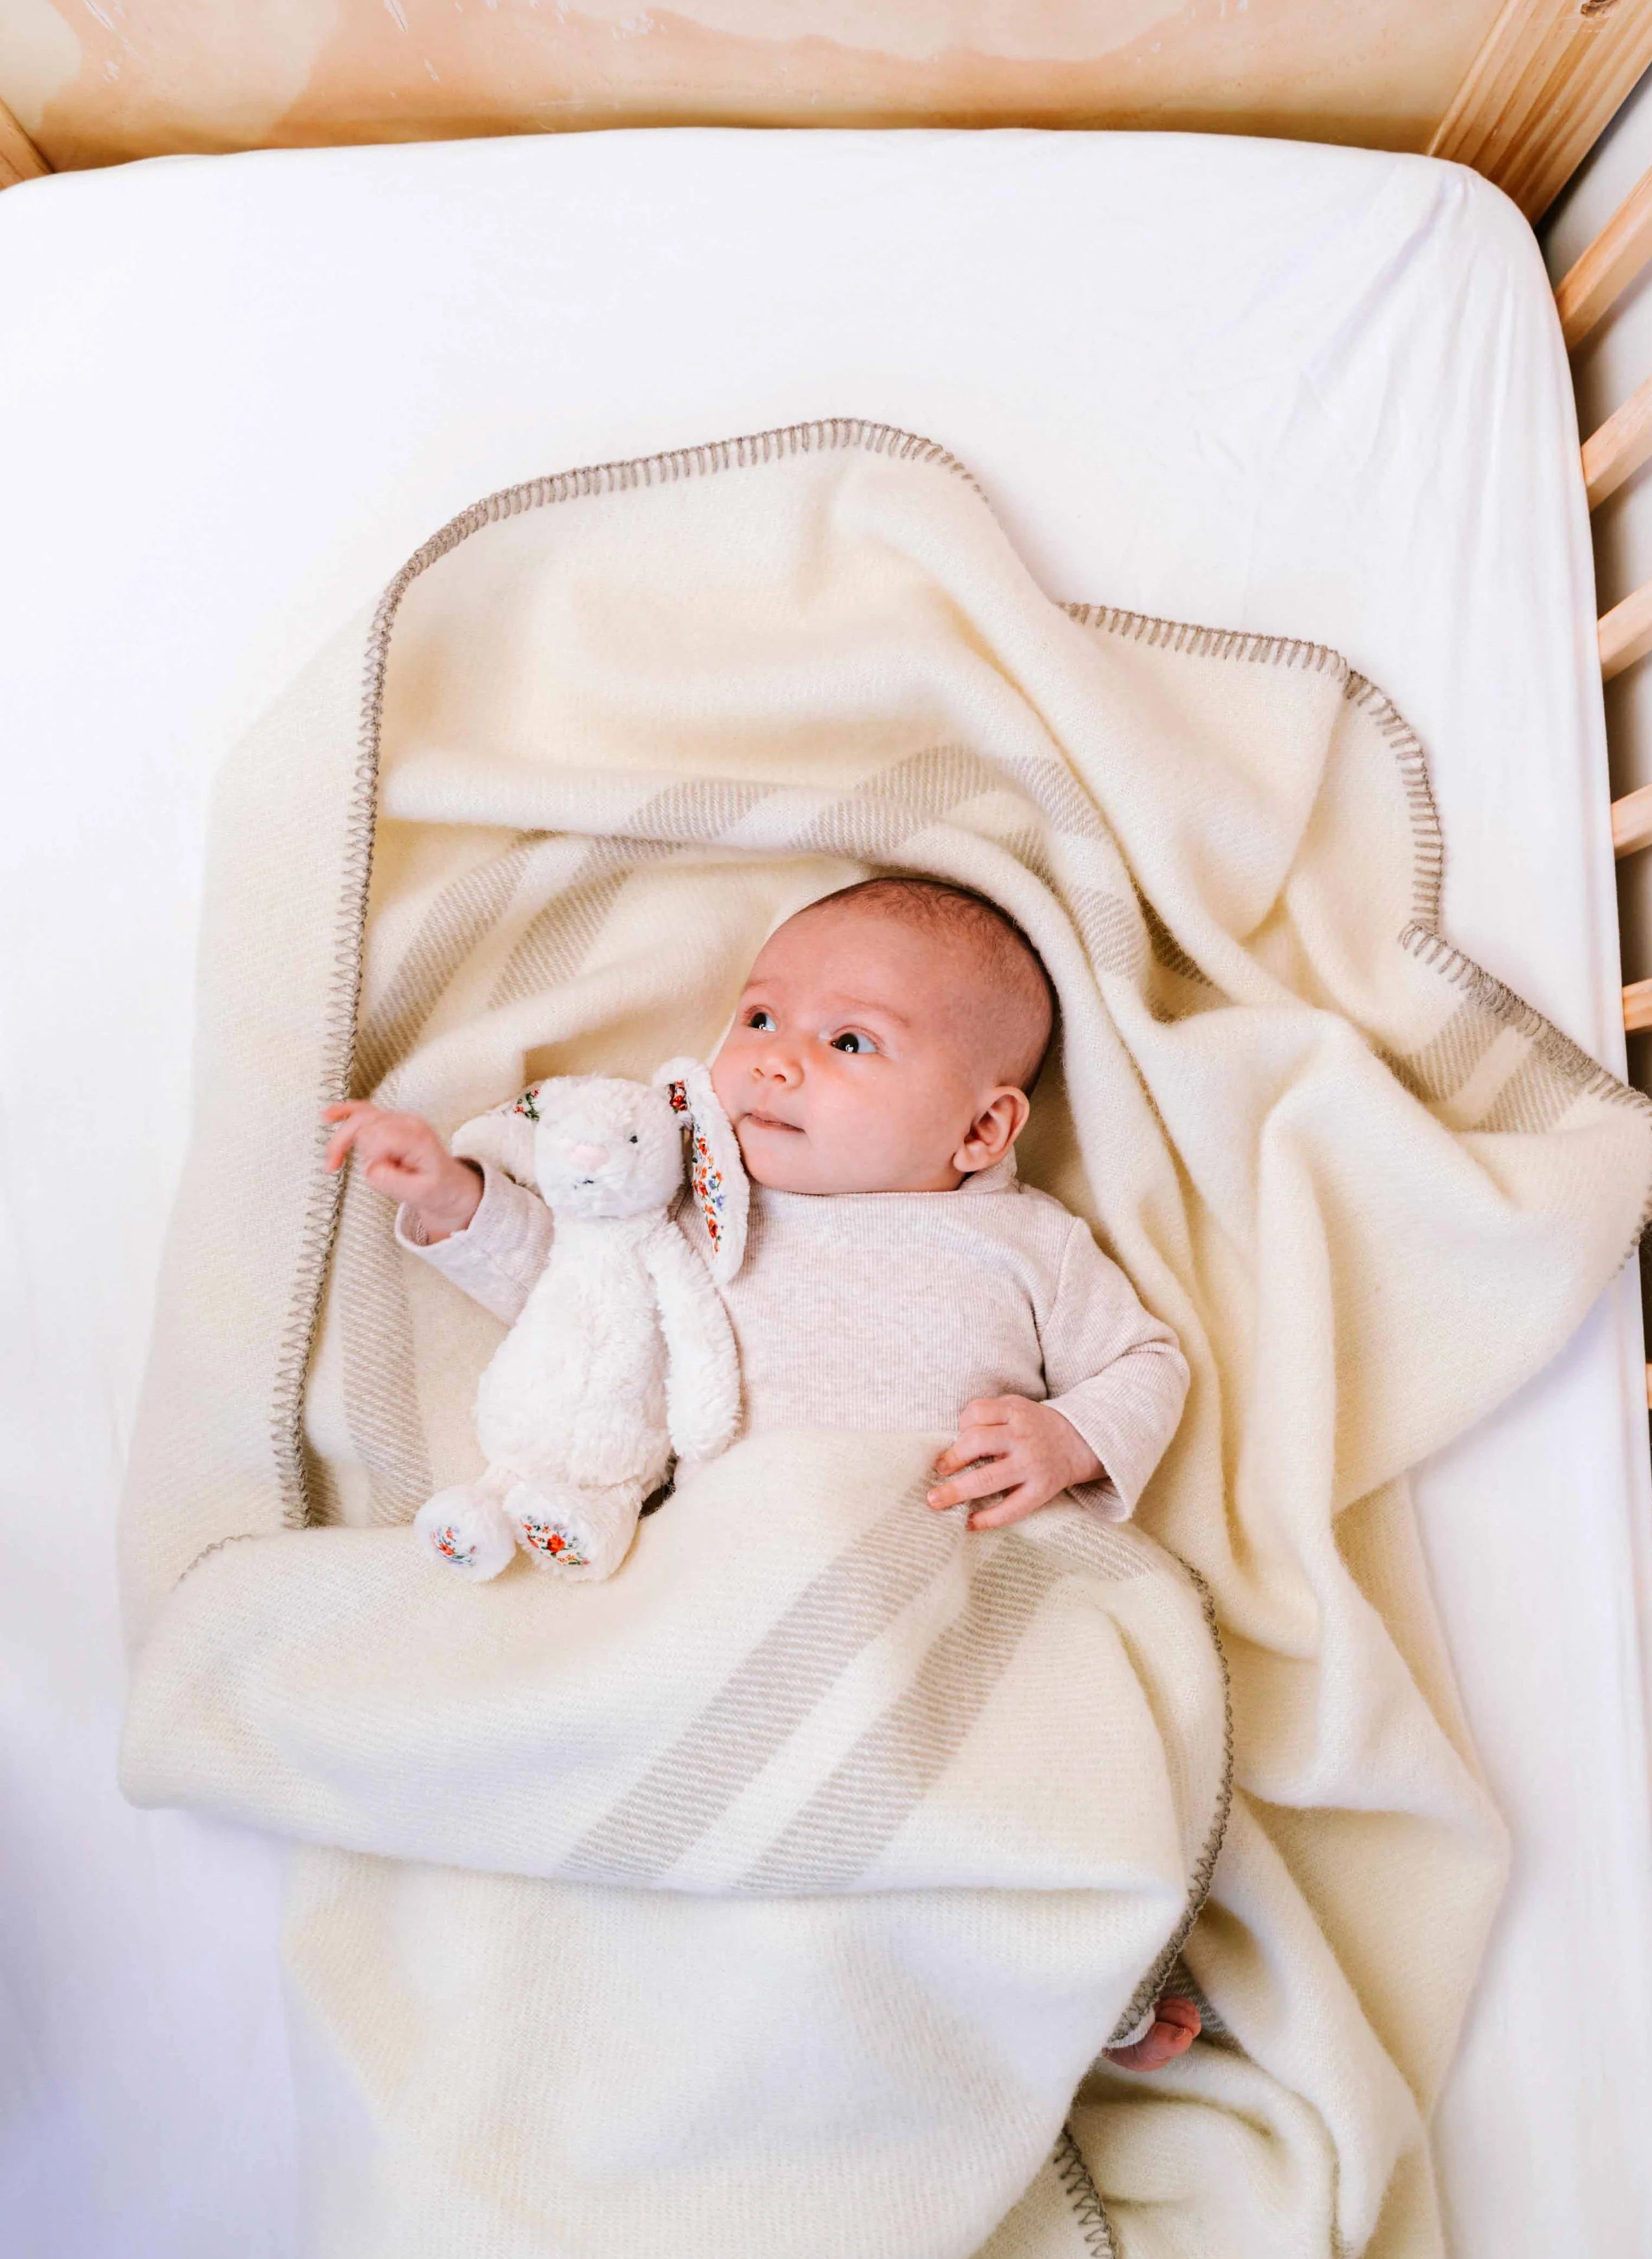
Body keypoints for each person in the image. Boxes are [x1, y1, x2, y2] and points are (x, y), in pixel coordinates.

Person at [324, 875, 1203, 2069]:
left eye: (849, 1041)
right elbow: (566, 1295)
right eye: (758, 1021)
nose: (775, 1064)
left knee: (1047, 1760)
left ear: (983, 1130)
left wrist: (1067, 1437)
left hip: (936, 1574)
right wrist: (450, 1198)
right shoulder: (687, 1205)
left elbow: (1145, 1361)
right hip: (728, 1573)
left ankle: (1085, 1969)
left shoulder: (1025, 1245)